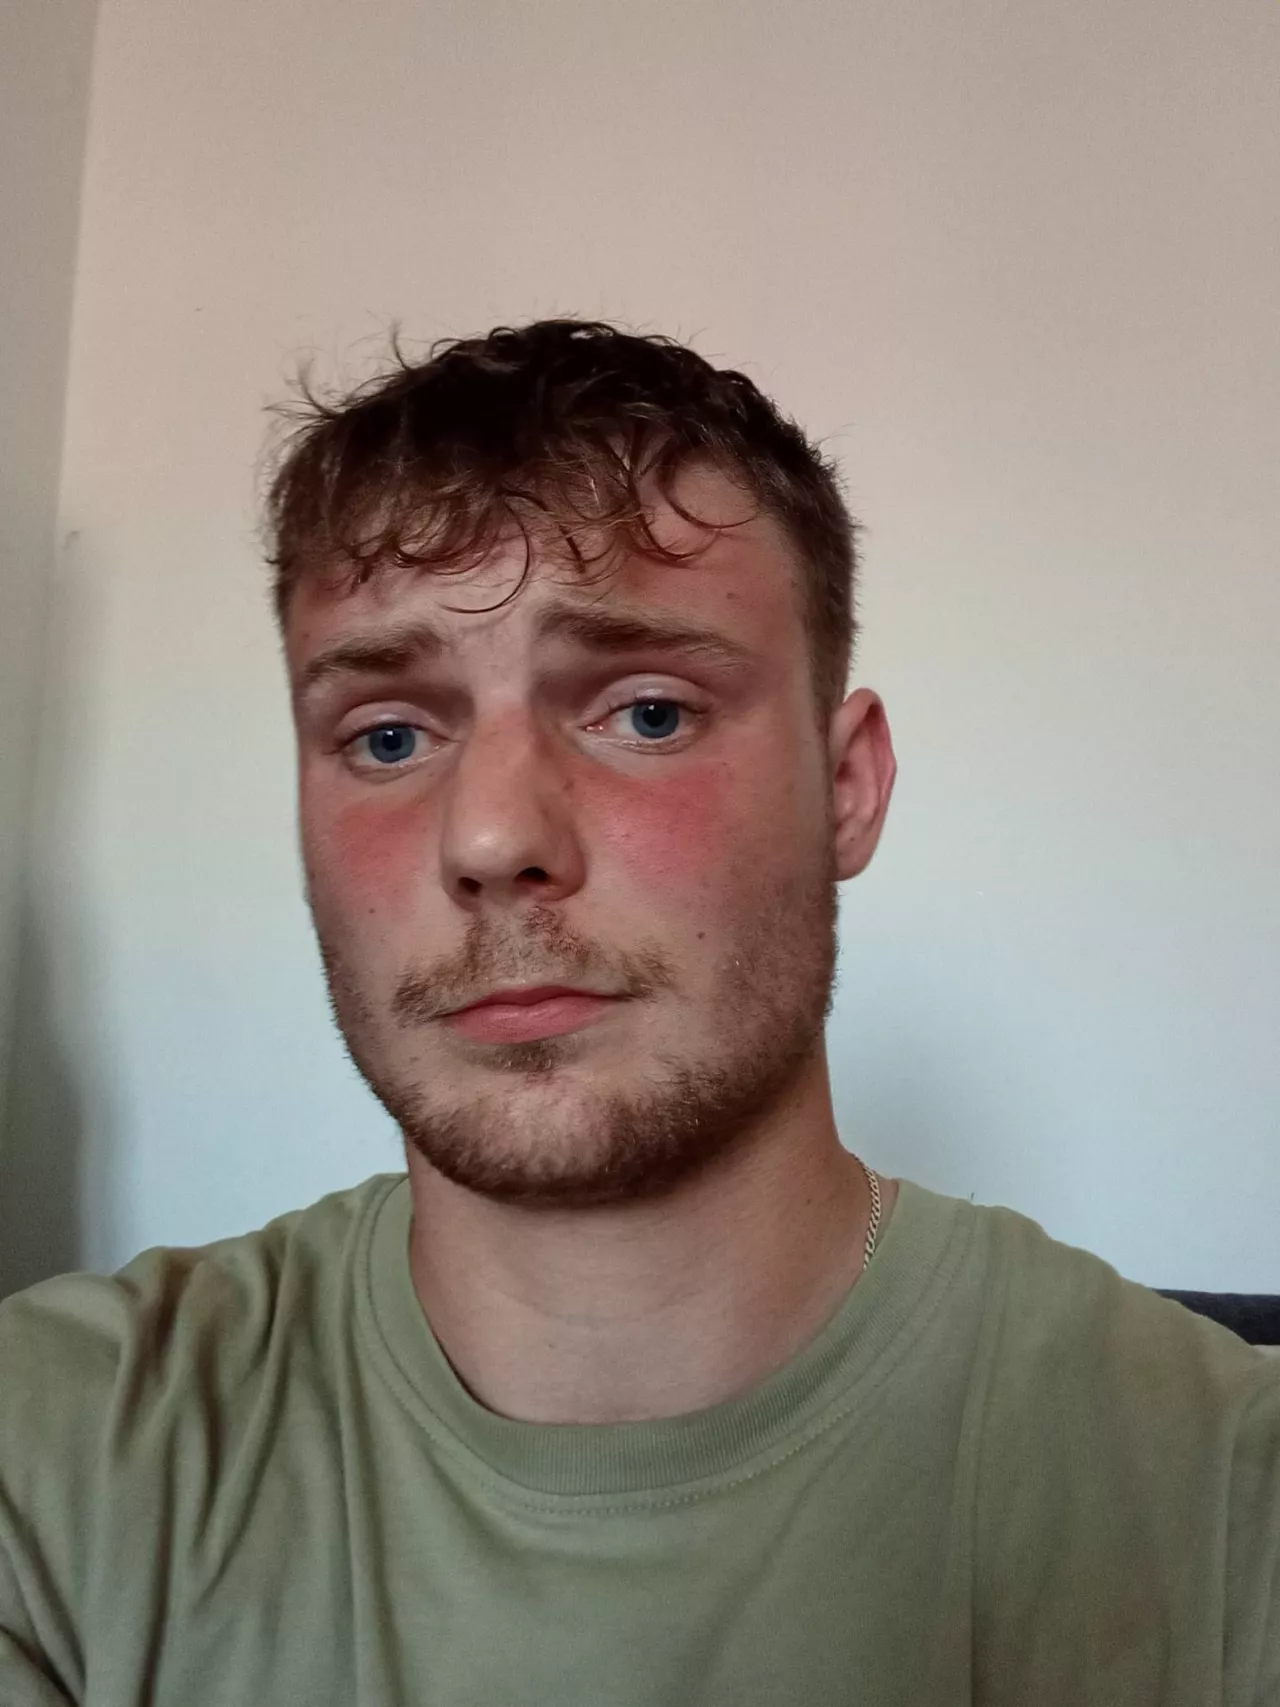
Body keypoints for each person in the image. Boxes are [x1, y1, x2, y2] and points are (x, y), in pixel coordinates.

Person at [1, 319, 1276, 1706]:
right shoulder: (51, 1463)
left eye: (649, 712)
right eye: (388, 736)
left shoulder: (1223, 1501)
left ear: (846, 788)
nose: (491, 837)